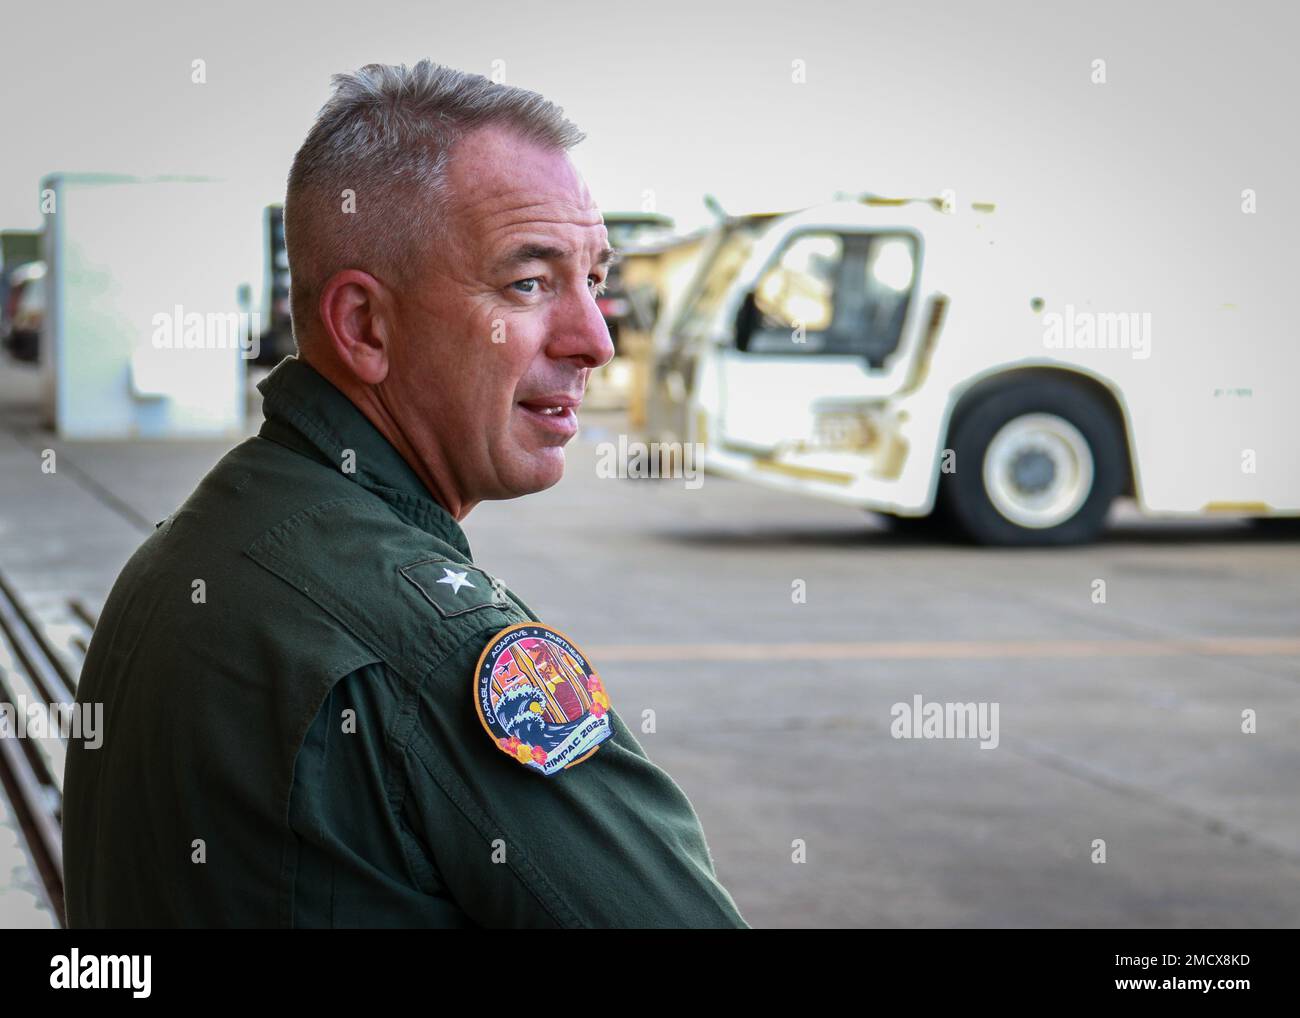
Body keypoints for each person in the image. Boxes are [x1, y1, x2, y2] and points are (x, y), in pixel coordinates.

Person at [61, 60, 748, 929]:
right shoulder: (433, 652)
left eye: (595, 279)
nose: (596, 340)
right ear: (365, 328)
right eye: (528, 283)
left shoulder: (196, 543)